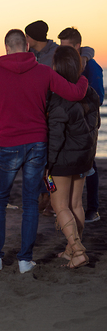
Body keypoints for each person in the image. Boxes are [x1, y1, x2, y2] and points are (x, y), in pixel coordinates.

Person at [0, 29, 88, 274]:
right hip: (37, 144)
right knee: (29, 202)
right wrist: (82, 75)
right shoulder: (44, 72)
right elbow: (76, 93)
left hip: (8, 145)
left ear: (6, 48)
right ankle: (25, 261)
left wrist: (1, 114)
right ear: (26, 46)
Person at [25, 20, 95, 216]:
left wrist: (84, 59)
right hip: (44, 112)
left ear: (32, 37)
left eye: (27, 36)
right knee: (43, 158)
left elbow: (86, 49)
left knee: (55, 159)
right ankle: (47, 198)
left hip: (59, 109)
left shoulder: (57, 51)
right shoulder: (30, 55)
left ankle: (65, 206)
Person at [46, 45, 100, 268]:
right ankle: (70, 249)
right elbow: (94, 125)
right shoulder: (89, 92)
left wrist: (47, 164)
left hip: (63, 160)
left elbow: (56, 137)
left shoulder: (59, 98)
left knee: (60, 206)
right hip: (84, 157)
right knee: (76, 203)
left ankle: (77, 251)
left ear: (57, 67)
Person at [58, 27, 104, 223]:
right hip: (70, 123)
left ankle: (93, 209)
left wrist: (77, 108)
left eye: (67, 47)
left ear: (78, 47)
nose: (63, 51)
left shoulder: (92, 67)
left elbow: (99, 98)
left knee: (89, 165)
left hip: (86, 124)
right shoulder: (66, 63)